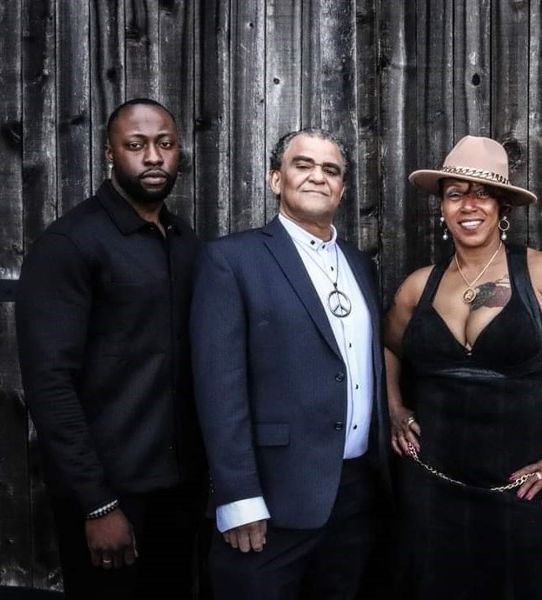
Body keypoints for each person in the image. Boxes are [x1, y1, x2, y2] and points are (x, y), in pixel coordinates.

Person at [386, 135, 542, 599]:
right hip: (430, 490)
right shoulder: (419, 286)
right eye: (455, 194)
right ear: (442, 207)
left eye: (482, 193)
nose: (468, 205)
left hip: (521, 492)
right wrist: (395, 407)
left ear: (503, 206)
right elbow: (388, 349)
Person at [15, 98, 205, 599]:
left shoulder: (184, 240)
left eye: (165, 144)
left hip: (177, 492)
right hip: (110, 497)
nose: (153, 157)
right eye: (136, 145)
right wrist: (97, 503)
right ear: (109, 153)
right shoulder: (70, 245)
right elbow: (49, 383)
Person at [190, 128, 390, 599]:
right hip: (271, 499)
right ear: (276, 179)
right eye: (303, 165)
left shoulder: (361, 265)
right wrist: (239, 497)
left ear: (342, 189)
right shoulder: (231, 260)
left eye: (331, 170)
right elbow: (219, 387)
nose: (318, 177)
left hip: (356, 496)